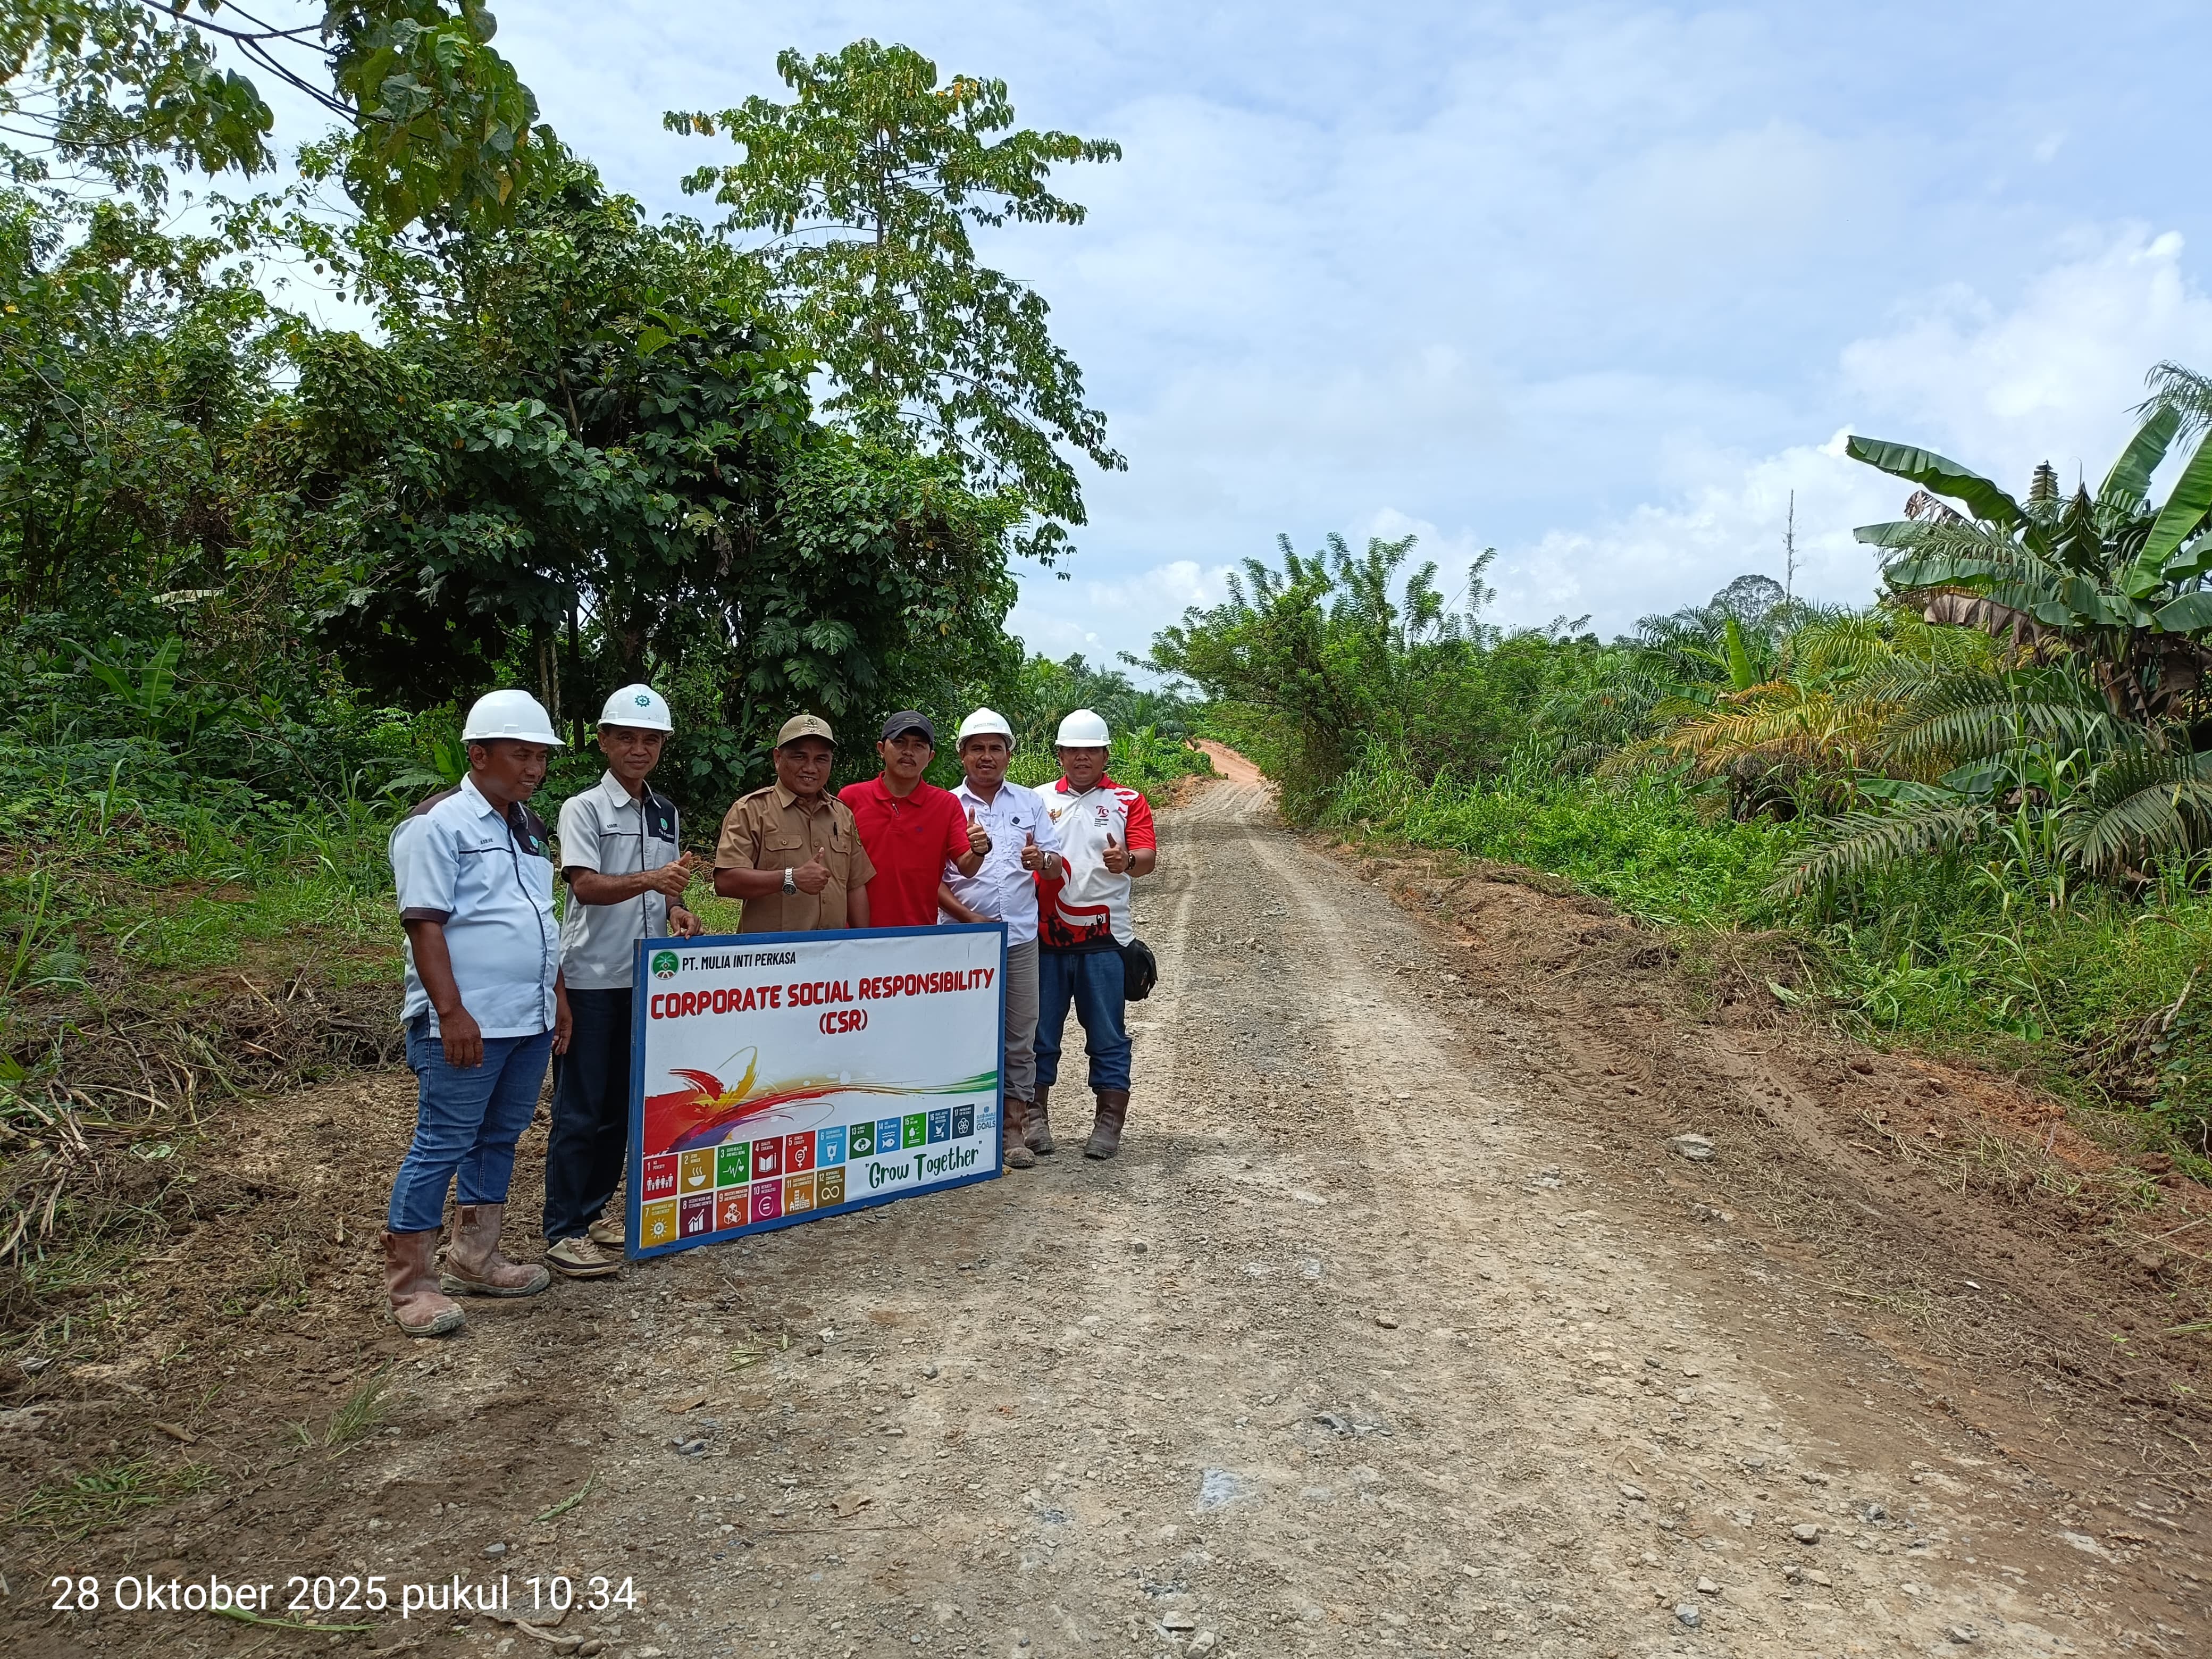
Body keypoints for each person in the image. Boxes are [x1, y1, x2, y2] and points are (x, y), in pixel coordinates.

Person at [383, 689, 573, 1338]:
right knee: (441, 1143)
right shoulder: (439, 824)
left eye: (540, 756)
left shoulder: (528, 827)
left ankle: (476, 1255)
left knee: (499, 1138)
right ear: (478, 753)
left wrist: (557, 999)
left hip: (527, 1019)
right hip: (466, 1023)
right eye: (521, 754)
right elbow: (425, 924)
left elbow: (539, 924)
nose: (533, 768)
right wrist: (451, 1011)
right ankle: (412, 1287)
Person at [542, 684, 702, 1279]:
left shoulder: (664, 812)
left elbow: (665, 893)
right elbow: (584, 885)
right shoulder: (583, 809)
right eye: (627, 738)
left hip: (646, 981)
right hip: (589, 978)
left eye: (651, 740)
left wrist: (677, 911)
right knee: (580, 1107)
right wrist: (655, 881)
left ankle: (595, 1212)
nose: (640, 749)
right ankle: (563, 1229)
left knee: (622, 1106)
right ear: (604, 741)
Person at [935, 708, 1066, 1170]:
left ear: (1009, 754)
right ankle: (962, 1130)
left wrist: (1040, 860)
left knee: (1019, 1036)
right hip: (962, 939)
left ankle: (1013, 1130)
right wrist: (969, 918)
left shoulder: (1029, 803)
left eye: (995, 748)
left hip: (1019, 939)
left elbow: (1054, 862)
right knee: (961, 1031)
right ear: (962, 755)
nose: (986, 757)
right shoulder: (946, 805)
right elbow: (933, 880)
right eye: (977, 749)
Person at [1034, 708, 1157, 1159]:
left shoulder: (1128, 800)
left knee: (1107, 1035)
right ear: (1060, 755)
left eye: (1091, 749)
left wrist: (1127, 863)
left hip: (1107, 940)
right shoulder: (1037, 798)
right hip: (1044, 938)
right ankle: (1034, 1118)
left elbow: (1147, 858)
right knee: (1039, 1034)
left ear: (1106, 754)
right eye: (1073, 749)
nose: (1082, 757)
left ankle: (1108, 1124)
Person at [714, 715, 875, 932]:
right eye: (800, 757)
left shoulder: (842, 815)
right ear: (778, 758)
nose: (810, 768)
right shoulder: (751, 810)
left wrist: (862, 944)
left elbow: (855, 886)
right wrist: (790, 878)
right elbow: (726, 882)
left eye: (821, 759)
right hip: (772, 956)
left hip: (831, 954)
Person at [839, 711, 986, 928]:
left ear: (930, 757)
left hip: (919, 935)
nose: (909, 752)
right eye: (900, 742)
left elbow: (967, 868)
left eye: (919, 745)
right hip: (855, 935)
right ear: (881, 748)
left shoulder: (946, 804)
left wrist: (979, 850)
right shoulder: (851, 798)